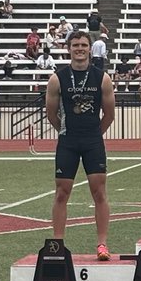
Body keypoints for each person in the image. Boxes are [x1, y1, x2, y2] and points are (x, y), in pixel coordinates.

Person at [45, 31, 115, 260]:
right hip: (68, 141)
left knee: (99, 192)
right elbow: (51, 114)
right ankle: (57, 244)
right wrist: (67, 132)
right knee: (61, 192)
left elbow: (109, 115)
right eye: (75, 45)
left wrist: (94, 134)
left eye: (84, 45)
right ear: (69, 49)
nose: (79, 49)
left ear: (90, 49)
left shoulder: (102, 78)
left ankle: (102, 244)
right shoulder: (57, 79)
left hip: (93, 141)